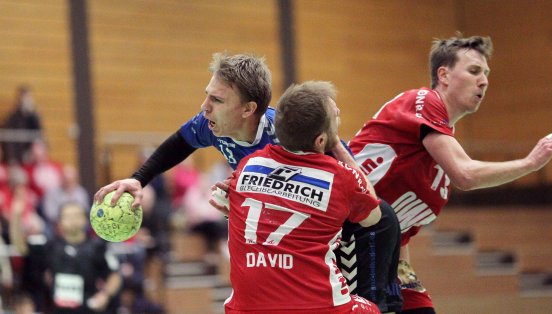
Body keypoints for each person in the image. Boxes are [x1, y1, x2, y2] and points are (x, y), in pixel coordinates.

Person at [94, 52, 401, 312]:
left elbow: (360, 191)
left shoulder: (293, 133)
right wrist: (138, 180)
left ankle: (382, 300)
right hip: (271, 250)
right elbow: (179, 142)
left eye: (216, 99)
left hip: (319, 225)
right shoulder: (211, 126)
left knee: (384, 218)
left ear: (248, 109)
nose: (204, 107)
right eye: (207, 95)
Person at [347, 34, 552, 313]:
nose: (484, 81)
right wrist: (530, 163)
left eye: (487, 74)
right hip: (339, 234)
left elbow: (401, 231)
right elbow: (466, 175)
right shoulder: (423, 100)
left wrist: (405, 282)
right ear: (443, 74)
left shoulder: (441, 169)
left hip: (380, 249)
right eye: (475, 71)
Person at [222, 81, 381, 313]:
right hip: (318, 307)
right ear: (320, 141)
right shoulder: (340, 177)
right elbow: (373, 216)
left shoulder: (249, 164)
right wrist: (335, 142)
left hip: (244, 308)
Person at [10, 199, 122, 313]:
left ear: (85, 219)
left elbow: (115, 274)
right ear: (59, 222)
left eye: (77, 215)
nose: (72, 219)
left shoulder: (97, 247)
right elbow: (20, 247)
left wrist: (105, 295)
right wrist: (16, 215)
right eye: (67, 216)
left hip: (87, 309)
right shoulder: (49, 245)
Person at [1, 85, 43, 165]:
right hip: (17, 158)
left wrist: (33, 114)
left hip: (31, 156)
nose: (29, 100)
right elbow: (9, 142)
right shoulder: (12, 118)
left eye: (30, 97)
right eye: (26, 97)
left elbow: (39, 133)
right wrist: (13, 159)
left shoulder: (33, 116)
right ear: (20, 99)